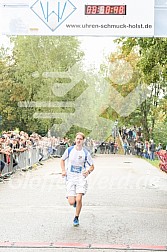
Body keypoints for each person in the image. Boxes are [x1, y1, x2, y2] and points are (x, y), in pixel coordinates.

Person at [60, 132, 94, 227]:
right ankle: (74, 203)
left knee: (79, 199)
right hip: (70, 178)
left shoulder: (85, 153)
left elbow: (92, 166)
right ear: (75, 140)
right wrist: (63, 170)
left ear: (83, 141)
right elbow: (62, 160)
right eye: (77, 138)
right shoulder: (69, 150)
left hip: (80, 178)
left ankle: (76, 217)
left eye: (80, 139)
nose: (78, 140)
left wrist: (88, 172)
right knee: (71, 202)